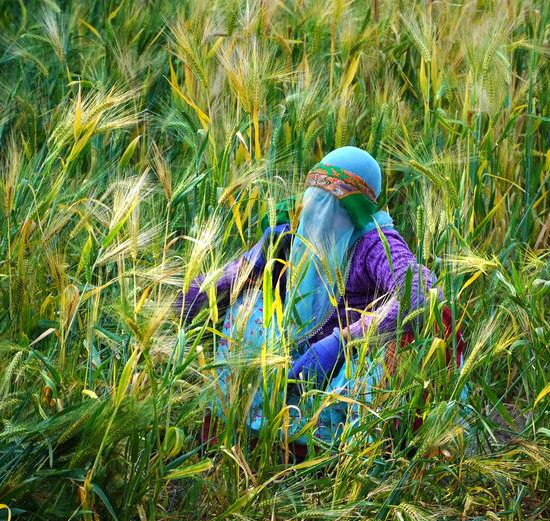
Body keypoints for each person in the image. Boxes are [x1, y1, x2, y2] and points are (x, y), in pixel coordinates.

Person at [175, 146, 454, 445]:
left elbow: (422, 294)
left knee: (404, 342)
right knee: (248, 304)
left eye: (331, 206)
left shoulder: (374, 243)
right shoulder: (292, 231)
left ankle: (334, 449)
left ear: (353, 211)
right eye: (313, 201)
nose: (317, 216)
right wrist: (173, 308)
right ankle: (245, 426)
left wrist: (342, 341)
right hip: (289, 361)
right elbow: (216, 284)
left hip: (347, 370)